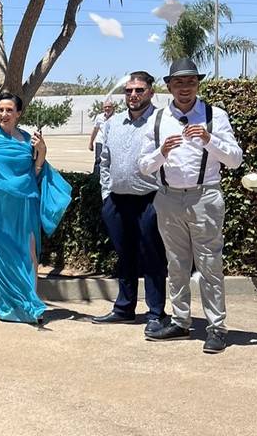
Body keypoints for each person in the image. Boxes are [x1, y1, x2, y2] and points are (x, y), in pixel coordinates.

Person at [139, 58, 243, 353]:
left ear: (198, 84)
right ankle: (181, 321)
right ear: (168, 86)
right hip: (168, 197)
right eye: (178, 82)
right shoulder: (157, 119)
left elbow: (235, 160)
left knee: (210, 263)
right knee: (176, 263)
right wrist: (162, 151)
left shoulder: (214, 115)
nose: (185, 88)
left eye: (191, 82)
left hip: (204, 196)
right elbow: (144, 166)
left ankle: (216, 327)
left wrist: (210, 140)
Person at [0, 91, 72, 324]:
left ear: (18, 113)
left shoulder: (28, 140)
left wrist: (42, 153)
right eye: (0, 109)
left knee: (29, 254)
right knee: (2, 257)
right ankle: (10, 308)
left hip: (25, 203)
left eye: (9, 110)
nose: (4, 114)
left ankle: (31, 305)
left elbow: (35, 172)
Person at [93, 71, 168, 333]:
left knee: (153, 256)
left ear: (151, 92)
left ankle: (156, 313)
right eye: (129, 91)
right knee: (124, 255)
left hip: (151, 200)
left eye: (139, 90)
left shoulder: (161, 120)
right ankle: (124, 308)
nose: (133, 95)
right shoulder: (112, 123)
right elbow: (105, 161)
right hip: (116, 201)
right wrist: (106, 195)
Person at [89, 99, 115, 171]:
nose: (107, 108)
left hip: (111, 143)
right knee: (98, 160)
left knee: (110, 161)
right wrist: (91, 143)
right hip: (100, 142)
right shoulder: (99, 117)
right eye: (105, 107)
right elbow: (95, 130)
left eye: (109, 107)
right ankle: (95, 178)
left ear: (113, 108)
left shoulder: (117, 118)